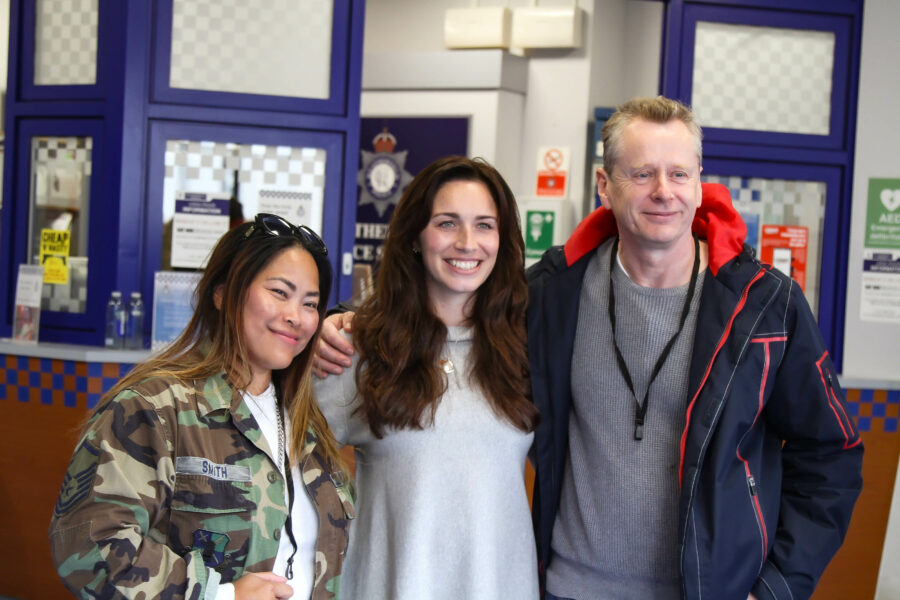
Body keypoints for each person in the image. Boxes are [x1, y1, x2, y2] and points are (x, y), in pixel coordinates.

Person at [526, 97, 863, 599]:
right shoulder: (551, 293)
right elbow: (457, 340)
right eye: (641, 174)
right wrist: (365, 331)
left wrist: (774, 588)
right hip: (568, 588)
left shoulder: (765, 306)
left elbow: (832, 455)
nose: (664, 192)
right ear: (604, 185)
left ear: (700, 182)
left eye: (679, 174)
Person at [49, 214, 354, 600]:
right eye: (279, 292)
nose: (296, 316)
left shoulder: (310, 418)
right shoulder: (153, 408)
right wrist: (220, 595)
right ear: (223, 293)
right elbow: (87, 547)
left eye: (310, 303)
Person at [312, 156, 540, 599]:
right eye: (447, 223)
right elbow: (283, 474)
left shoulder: (525, 348)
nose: (468, 242)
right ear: (416, 236)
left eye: (485, 225)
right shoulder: (360, 349)